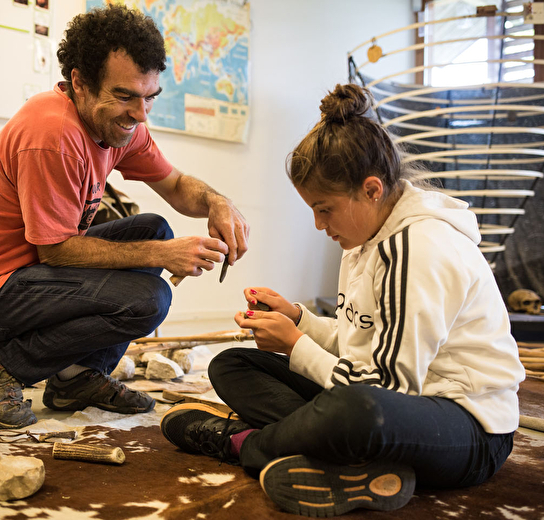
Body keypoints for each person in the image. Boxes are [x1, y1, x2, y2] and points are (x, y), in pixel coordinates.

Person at [160, 84, 524, 517]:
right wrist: (300, 319)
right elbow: (361, 341)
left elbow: (384, 388)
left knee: (354, 410)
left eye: (325, 208)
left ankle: (244, 445)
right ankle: (348, 462)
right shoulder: (363, 241)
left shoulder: (419, 248)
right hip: (391, 402)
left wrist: (297, 346)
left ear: (371, 190)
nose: (318, 224)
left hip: (468, 430)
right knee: (232, 364)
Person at [0, 5, 248, 430]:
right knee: (149, 299)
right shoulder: (53, 133)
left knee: (153, 227)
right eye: (124, 96)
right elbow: (57, 252)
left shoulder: (120, 126)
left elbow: (174, 185)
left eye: (148, 98)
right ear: (79, 82)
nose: (140, 114)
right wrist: (166, 254)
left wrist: (217, 202)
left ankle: (76, 378)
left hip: (27, 273)